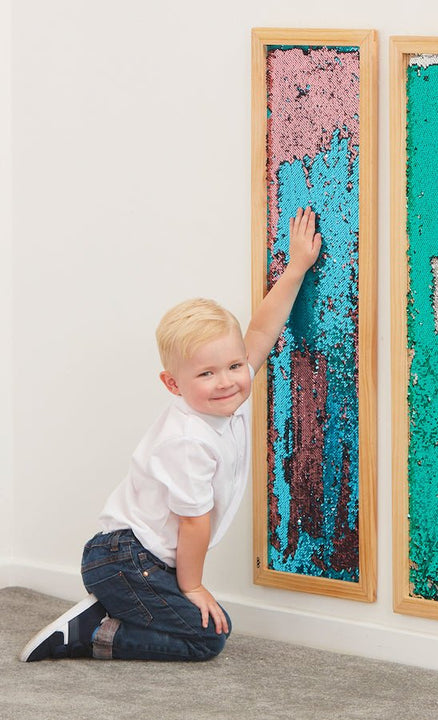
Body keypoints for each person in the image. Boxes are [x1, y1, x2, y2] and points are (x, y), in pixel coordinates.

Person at [20, 206, 322, 662]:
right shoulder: (189, 438)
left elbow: (262, 327)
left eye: (235, 365)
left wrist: (296, 265)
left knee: (207, 624)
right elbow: (194, 522)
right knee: (208, 638)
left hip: (139, 562)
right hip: (123, 560)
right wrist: (193, 586)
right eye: (206, 373)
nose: (227, 381)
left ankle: (109, 613)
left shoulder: (228, 394)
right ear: (174, 384)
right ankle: (91, 633)